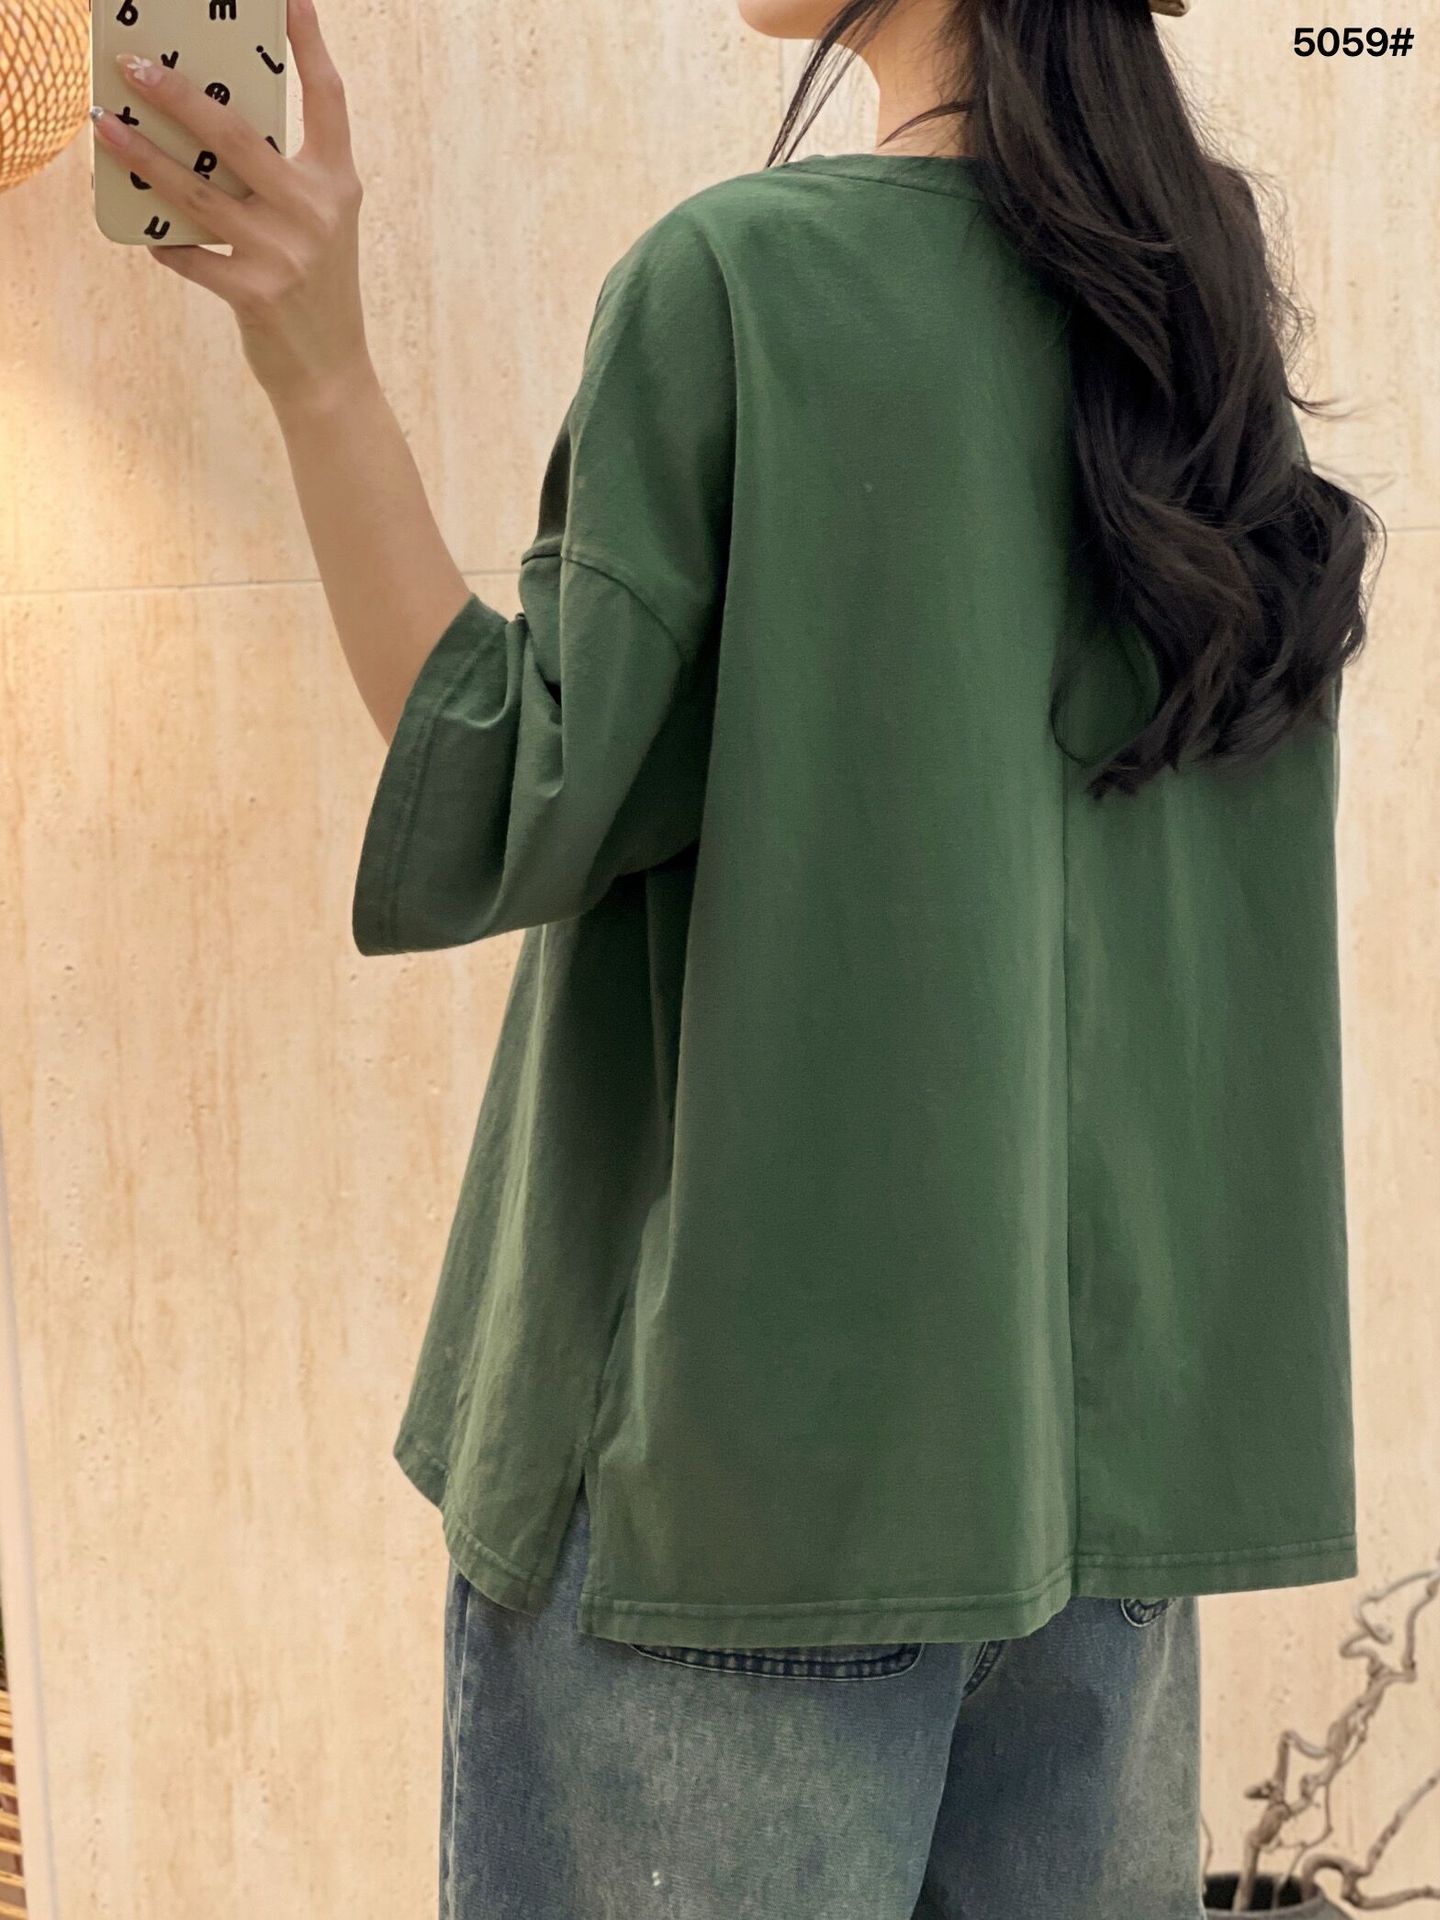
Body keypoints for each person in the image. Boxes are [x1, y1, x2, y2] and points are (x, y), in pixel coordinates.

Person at [91, 0, 1380, 1912]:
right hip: (1092, 1499)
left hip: (732, 1494)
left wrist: (321, 366)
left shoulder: (743, 282)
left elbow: (515, 793)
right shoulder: (1195, 318)